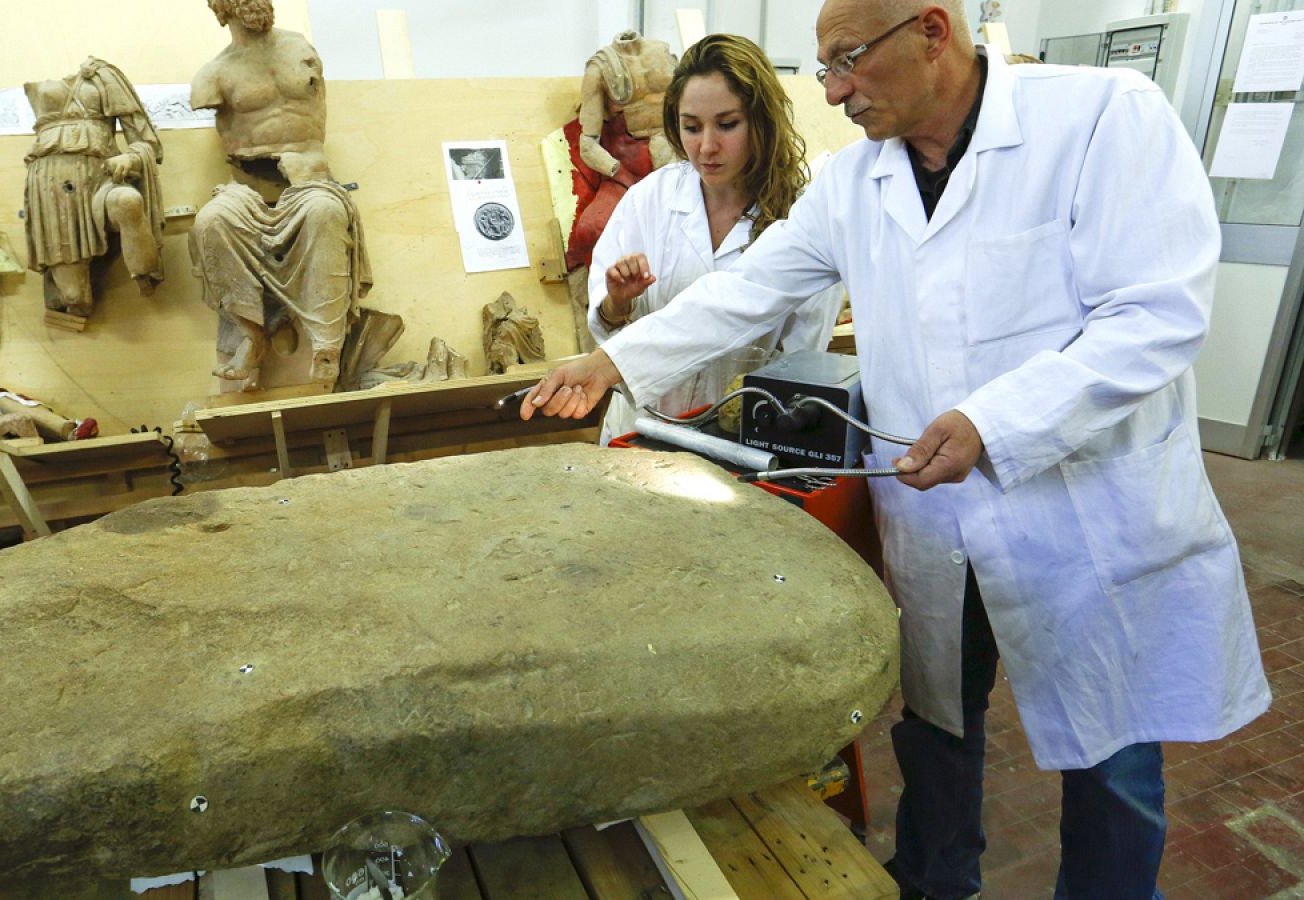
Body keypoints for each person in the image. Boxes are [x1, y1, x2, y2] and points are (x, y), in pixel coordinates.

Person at [522, 2, 1271, 898]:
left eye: (847, 61)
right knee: (935, 725)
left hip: (1081, 514)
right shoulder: (855, 182)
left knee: (1113, 761)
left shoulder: (1104, 118)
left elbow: (1157, 314)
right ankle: (933, 881)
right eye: (824, 65)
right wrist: (612, 356)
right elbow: (751, 289)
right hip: (936, 510)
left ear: (931, 30)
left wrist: (997, 420)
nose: (832, 90)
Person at [587, 33, 844, 443]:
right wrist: (618, 302)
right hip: (638, 431)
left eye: (727, 124)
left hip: (738, 442)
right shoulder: (650, 199)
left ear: (762, 120)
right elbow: (605, 324)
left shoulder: (802, 217)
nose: (706, 146)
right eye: (691, 127)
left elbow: (799, 357)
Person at [189, 0, 373, 392]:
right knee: (210, 221)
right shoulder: (214, 74)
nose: (257, 4)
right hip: (248, 189)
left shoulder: (300, 49)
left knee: (324, 213)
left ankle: (327, 345)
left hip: (310, 181)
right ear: (221, 8)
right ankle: (249, 336)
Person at [23, 57, 165, 317]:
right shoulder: (39, 91)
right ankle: (64, 288)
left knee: (128, 202)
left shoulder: (103, 76)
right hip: (51, 190)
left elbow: (148, 144)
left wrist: (129, 158)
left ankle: (145, 274)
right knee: (75, 299)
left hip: (101, 181)